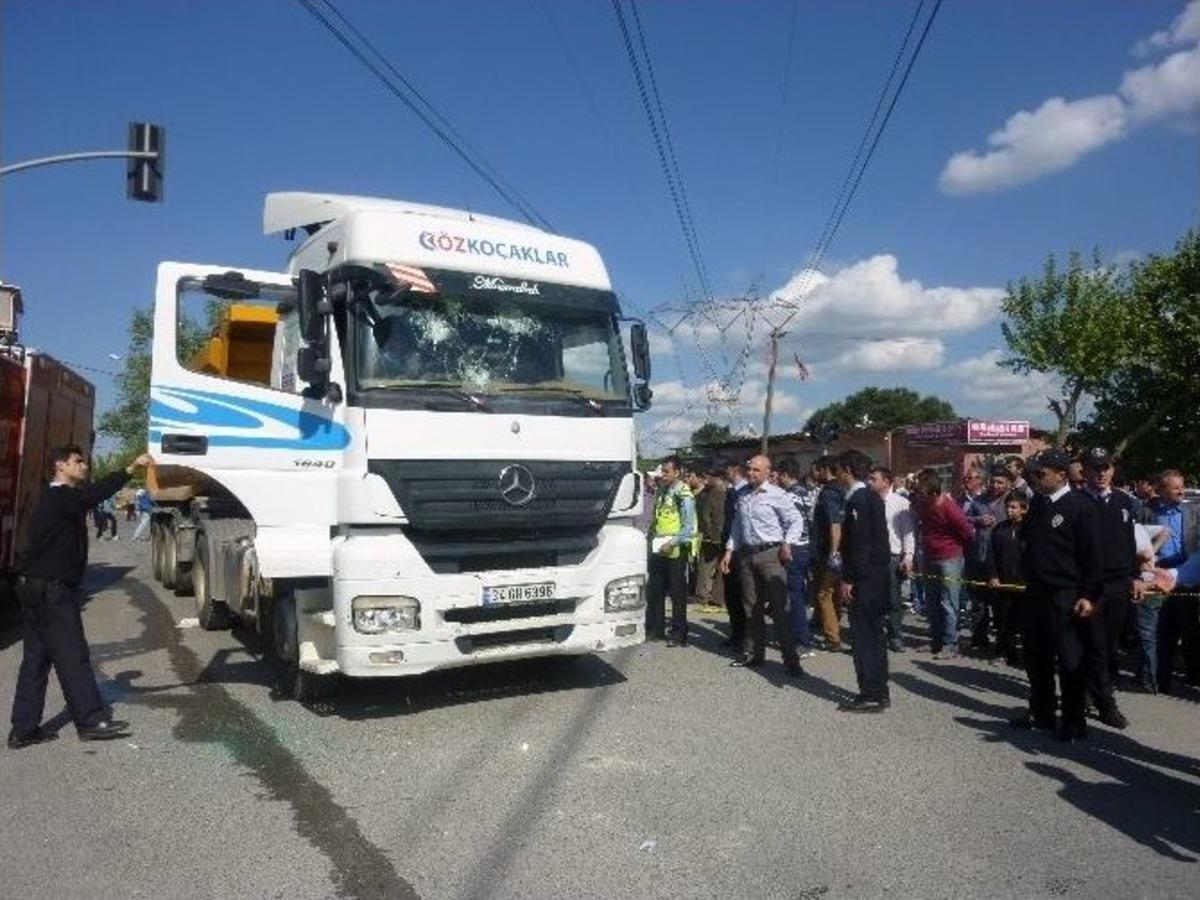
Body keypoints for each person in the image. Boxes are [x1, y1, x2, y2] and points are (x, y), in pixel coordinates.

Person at [8, 446, 154, 749]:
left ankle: (23, 729)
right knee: (72, 655)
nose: (84, 465)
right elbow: (95, 494)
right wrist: (129, 468)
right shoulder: (60, 496)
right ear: (60, 466)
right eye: (78, 461)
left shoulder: (53, 497)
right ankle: (90, 720)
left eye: (83, 460)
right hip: (50, 590)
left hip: (32, 586)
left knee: (36, 658)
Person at [1014, 449, 1102, 742]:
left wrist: (1088, 594)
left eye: (1041, 474)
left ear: (1060, 475)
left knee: (1069, 659)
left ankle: (1074, 721)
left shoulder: (1080, 506)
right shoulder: (1039, 502)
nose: (1036, 479)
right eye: (1034, 474)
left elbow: (1092, 556)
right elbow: (1028, 540)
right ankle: (1042, 714)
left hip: (1067, 593)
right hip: (1036, 592)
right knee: (1036, 657)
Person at [720, 455, 804, 675]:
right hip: (747, 555)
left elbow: (795, 520)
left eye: (757, 470)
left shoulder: (777, 495)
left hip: (770, 555)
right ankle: (754, 654)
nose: (751, 473)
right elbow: (737, 526)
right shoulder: (743, 495)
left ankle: (791, 660)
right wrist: (729, 551)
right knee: (751, 608)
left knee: (780, 608)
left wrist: (788, 543)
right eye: (749, 469)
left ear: (768, 472)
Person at [1079, 447, 1136, 728]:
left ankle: (1099, 689)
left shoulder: (1124, 501)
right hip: (1089, 585)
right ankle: (1104, 702)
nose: (1101, 473)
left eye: (1106, 467)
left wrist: (1134, 577)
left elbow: (1130, 543)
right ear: (1085, 470)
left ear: (1113, 470)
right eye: (1095, 467)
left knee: (1111, 646)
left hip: (1119, 583)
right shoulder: (1077, 502)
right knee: (1095, 644)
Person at [834, 451, 892, 711]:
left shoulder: (859, 498)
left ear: (847, 469)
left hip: (865, 578)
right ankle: (879, 690)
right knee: (874, 634)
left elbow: (860, 543)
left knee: (865, 636)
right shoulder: (870, 496)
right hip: (876, 575)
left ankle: (872, 693)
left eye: (839, 469)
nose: (836, 474)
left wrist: (849, 578)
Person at [911, 468, 974, 659]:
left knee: (949, 603)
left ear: (933, 490)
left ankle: (950, 644)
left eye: (922, 490)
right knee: (931, 602)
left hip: (950, 558)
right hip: (929, 557)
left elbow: (967, 532)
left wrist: (954, 548)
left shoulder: (949, 507)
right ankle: (936, 641)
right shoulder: (923, 504)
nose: (920, 494)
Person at [1148, 470, 1200, 694]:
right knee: (1160, 633)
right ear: (1161, 490)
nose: (1181, 490)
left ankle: (1195, 674)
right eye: (1175, 487)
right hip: (1155, 579)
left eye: (1182, 485)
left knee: (1190, 631)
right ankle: (1161, 678)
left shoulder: (1194, 512)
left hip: (1187, 580)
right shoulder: (1147, 512)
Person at [645, 456, 696, 647]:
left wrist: (673, 542)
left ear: (677, 472)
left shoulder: (684, 494)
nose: (663, 475)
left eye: (667, 471)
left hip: (674, 549)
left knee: (677, 593)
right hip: (658, 546)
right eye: (662, 471)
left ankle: (679, 632)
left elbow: (688, 526)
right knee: (655, 590)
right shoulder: (662, 490)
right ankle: (655, 629)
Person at [964, 465, 1012, 652]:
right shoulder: (979, 500)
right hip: (979, 556)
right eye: (993, 481)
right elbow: (965, 518)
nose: (995, 485)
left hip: (1001, 559)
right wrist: (978, 520)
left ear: (1008, 483)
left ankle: (1002, 643)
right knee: (978, 602)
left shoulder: (1011, 500)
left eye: (1000, 482)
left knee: (1000, 605)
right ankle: (979, 637)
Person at [867, 465, 914, 653]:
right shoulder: (867, 501)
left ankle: (895, 636)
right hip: (870, 558)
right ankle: (875, 635)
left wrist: (908, 556)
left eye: (873, 479)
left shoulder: (900, 503)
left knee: (893, 600)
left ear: (886, 482)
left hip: (892, 558)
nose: (869, 482)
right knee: (872, 600)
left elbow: (908, 533)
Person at [776, 458, 816, 658]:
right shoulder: (805, 493)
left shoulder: (790, 496)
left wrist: (786, 544)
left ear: (784, 474)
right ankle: (801, 635)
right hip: (806, 547)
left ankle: (802, 640)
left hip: (793, 548)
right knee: (798, 594)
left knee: (794, 596)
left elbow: (790, 523)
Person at [985, 491, 1028, 667]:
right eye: (1007, 507)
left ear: (1024, 509)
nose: (1009, 511)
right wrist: (994, 575)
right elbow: (992, 555)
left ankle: (1026, 655)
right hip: (1003, 583)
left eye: (1014, 507)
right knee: (1003, 621)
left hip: (1025, 586)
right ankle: (1003, 653)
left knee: (1026, 623)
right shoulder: (1000, 529)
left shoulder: (1032, 529)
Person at [809, 455, 846, 651]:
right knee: (836, 592)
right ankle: (834, 626)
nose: (814, 474)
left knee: (824, 593)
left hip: (828, 551)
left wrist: (833, 552)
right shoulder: (842, 489)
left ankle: (832, 638)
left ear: (825, 470)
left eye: (816, 469)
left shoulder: (829, 493)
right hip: (840, 550)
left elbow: (834, 524)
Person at [719, 462, 749, 649]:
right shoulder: (732, 492)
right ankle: (736, 633)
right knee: (730, 594)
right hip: (729, 546)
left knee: (741, 594)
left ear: (735, 470)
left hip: (742, 549)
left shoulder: (745, 492)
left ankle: (746, 637)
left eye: (727, 469)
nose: (725, 472)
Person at [689, 467, 726, 608]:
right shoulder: (721, 493)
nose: (707, 480)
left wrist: (710, 534)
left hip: (713, 536)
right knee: (717, 567)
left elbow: (706, 517)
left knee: (707, 566)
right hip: (718, 535)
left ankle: (704, 595)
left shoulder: (711, 494)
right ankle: (716, 597)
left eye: (709, 477)